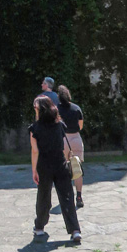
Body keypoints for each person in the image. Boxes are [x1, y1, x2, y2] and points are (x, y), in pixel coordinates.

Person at [29, 94, 81, 243]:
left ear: (40, 110)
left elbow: (35, 151)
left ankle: (39, 227)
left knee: (43, 198)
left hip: (44, 167)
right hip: (60, 164)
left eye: (35, 107)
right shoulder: (60, 125)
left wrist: (34, 170)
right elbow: (63, 146)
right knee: (67, 198)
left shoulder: (34, 128)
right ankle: (75, 230)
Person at [57, 84, 85, 209]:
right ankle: (79, 196)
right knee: (77, 169)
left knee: (64, 169)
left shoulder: (56, 109)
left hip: (63, 139)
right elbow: (81, 126)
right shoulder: (76, 108)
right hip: (76, 138)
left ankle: (67, 196)